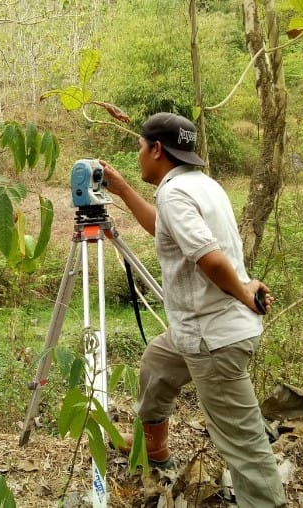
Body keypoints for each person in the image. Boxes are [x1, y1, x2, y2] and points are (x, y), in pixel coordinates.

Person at [101, 112, 287, 507]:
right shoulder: (200, 185)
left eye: (139, 147)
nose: (138, 155)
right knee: (157, 363)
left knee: (243, 444)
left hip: (213, 339)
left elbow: (210, 259)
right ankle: (154, 445)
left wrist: (243, 292)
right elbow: (166, 229)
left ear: (156, 149)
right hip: (196, 329)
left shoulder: (174, 194)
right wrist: (121, 190)